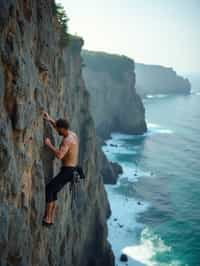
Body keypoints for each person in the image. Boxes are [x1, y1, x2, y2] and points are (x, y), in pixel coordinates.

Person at [42, 111, 79, 226]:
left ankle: (48, 218)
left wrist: (48, 145)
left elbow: (59, 155)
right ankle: (50, 218)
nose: (57, 131)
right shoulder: (72, 134)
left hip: (67, 172)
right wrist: (50, 119)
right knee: (53, 191)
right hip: (70, 170)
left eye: (58, 129)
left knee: (49, 189)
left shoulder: (67, 141)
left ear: (63, 129)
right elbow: (59, 127)